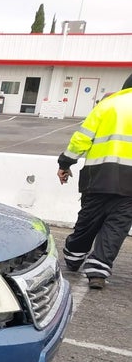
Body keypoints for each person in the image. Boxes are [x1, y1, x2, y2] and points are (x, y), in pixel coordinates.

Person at [57, 73, 132, 289]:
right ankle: (98, 271)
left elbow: (82, 138)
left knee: (88, 220)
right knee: (117, 227)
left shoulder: (108, 104)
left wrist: (65, 164)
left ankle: (74, 257)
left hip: (99, 176)